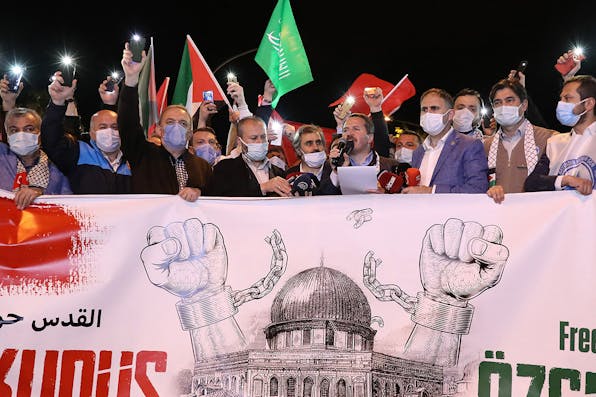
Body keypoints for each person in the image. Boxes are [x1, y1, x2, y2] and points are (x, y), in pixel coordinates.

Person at [118, 42, 212, 201]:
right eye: (170, 122)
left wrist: (199, 192)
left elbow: (218, 201)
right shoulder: (142, 155)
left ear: (189, 133)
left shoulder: (203, 166)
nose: (176, 126)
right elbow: (128, 123)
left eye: (183, 123)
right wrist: (131, 79)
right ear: (159, 130)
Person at [41, 73, 131, 194]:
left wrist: (110, 104)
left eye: (115, 127)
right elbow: (51, 140)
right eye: (102, 127)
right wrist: (57, 103)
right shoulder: (79, 152)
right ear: (92, 133)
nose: (109, 132)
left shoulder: (132, 159)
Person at [484, 78, 558, 203]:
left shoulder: (549, 139)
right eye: (497, 103)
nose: (503, 107)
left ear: (524, 105)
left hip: (538, 214)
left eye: (509, 100)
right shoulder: (487, 145)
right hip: (498, 215)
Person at [402, 88, 488, 194]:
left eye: (434, 108)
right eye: (424, 109)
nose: (428, 114)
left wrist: (431, 191)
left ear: (450, 114)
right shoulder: (418, 152)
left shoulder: (470, 145)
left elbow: (478, 189)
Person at [524, 74, 596, 195]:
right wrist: (564, 180)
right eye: (561, 99)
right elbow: (532, 183)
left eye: (567, 98)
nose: (561, 104)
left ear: (588, 104)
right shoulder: (555, 143)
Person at [1, 107, 71, 209]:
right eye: (14, 130)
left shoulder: (56, 172)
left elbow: (69, 207)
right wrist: (7, 102)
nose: (21, 135)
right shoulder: (2, 157)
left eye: (29, 129)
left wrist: (41, 196)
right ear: (7, 135)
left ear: (40, 133)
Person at [206, 116, 289, 197]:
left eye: (263, 137)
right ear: (240, 141)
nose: (260, 142)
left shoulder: (279, 172)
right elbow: (217, 198)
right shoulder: (225, 168)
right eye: (254, 138)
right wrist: (263, 188)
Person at [329, 113, 404, 194]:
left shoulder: (391, 165)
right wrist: (336, 172)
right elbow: (323, 198)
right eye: (345, 130)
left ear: (370, 138)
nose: (349, 134)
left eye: (356, 129)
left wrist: (386, 196)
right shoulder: (331, 164)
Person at [286, 124, 340, 195]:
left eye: (318, 142)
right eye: (309, 143)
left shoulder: (335, 171)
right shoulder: (289, 175)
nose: (316, 147)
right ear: (298, 150)